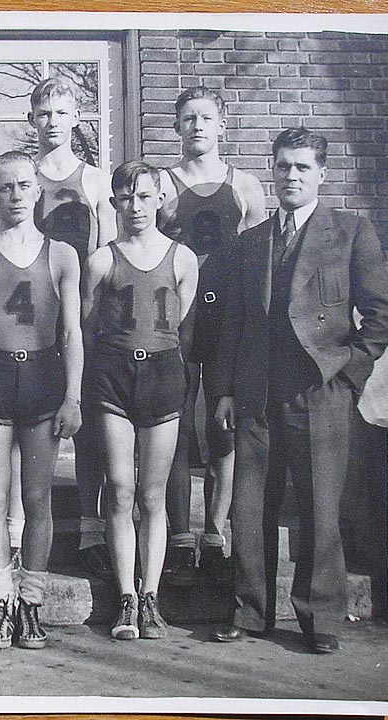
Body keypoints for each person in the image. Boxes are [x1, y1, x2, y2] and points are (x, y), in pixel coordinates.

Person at [212, 128, 388, 654]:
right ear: (272, 171)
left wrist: (347, 373)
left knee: (320, 506)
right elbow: (234, 322)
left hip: (320, 393)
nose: (291, 176)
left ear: (321, 174)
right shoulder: (251, 243)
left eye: (302, 168)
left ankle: (322, 621)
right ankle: (250, 611)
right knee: (249, 507)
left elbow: (382, 315)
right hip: (256, 392)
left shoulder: (351, 232)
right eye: (283, 167)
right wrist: (224, 389)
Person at [0, 151, 83, 650]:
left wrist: (72, 395)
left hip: (44, 381)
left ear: (38, 191)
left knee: (36, 499)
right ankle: (1, 602)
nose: (15, 196)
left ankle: (31, 602)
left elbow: (72, 332)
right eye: (5, 188)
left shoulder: (62, 255)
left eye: (24, 186)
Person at [82, 161, 198, 640]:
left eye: (145, 197)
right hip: (113, 374)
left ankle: (150, 595)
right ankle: (125, 596)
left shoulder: (183, 258)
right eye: (126, 199)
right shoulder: (101, 260)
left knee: (153, 494)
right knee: (120, 487)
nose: (136, 208)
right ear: (113, 204)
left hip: (164, 374)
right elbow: (87, 326)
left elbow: (181, 321)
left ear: (160, 201)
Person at [157, 86, 266, 585]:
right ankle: (180, 534)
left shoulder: (244, 185)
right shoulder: (162, 183)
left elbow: (262, 258)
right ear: (176, 127)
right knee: (175, 423)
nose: (196, 126)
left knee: (221, 426)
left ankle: (215, 531)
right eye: (187, 118)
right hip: (176, 314)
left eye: (205, 118)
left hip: (227, 316)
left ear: (223, 126)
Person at [28, 76, 115, 578]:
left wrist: (88, 313)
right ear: (32, 120)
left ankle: (89, 524)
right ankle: (23, 522)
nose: (51, 122)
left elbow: (102, 252)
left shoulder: (95, 180)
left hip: (81, 310)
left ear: (75, 118)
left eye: (60, 113)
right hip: (34, 310)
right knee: (34, 416)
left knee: (85, 420)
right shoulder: (23, 175)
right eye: (43, 114)